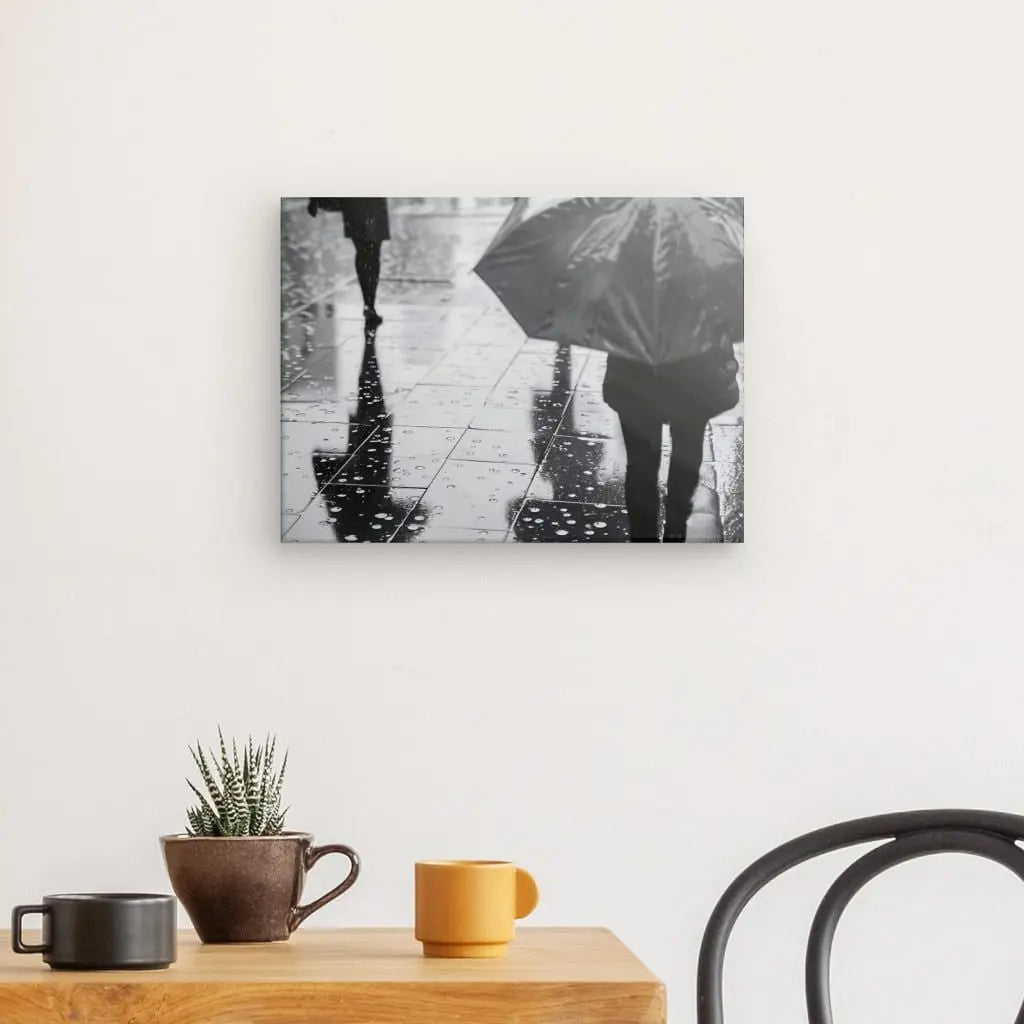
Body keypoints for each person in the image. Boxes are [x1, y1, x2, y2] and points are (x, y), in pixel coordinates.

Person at [603, 334, 739, 542]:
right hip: (694, 370)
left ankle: (644, 538)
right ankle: (675, 526)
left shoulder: (630, 303)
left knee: (641, 465)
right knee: (685, 455)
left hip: (634, 369)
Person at [307, 198, 390, 328]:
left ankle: (369, 303)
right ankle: (369, 304)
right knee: (372, 253)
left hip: (356, 203)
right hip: (368, 202)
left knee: (364, 252)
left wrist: (314, 199)